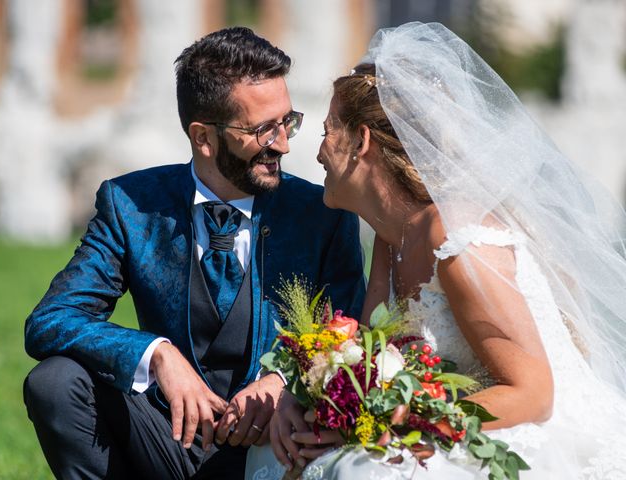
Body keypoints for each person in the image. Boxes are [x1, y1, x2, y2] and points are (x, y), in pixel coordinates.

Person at [249, 22, 626, 479]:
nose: (318, 150)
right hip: (444, 419)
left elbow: (532, 393)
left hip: (528, 430)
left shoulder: (454, 236)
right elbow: (370, 360)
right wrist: (305, 401)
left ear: (362, 142)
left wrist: (402, 419)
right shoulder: (392, 237)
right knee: (275, 454)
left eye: (328, 130)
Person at [23, 27, 365, 480]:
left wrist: (284, 382)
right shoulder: (131, 204)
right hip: (162, 438)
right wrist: (157, 353)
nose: (283, 143)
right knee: (54, 382)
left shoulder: (322, 215)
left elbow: (352, 330)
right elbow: (50, 320)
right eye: (263, 129)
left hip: (274, 447)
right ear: (203, 138)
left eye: (288, 121)